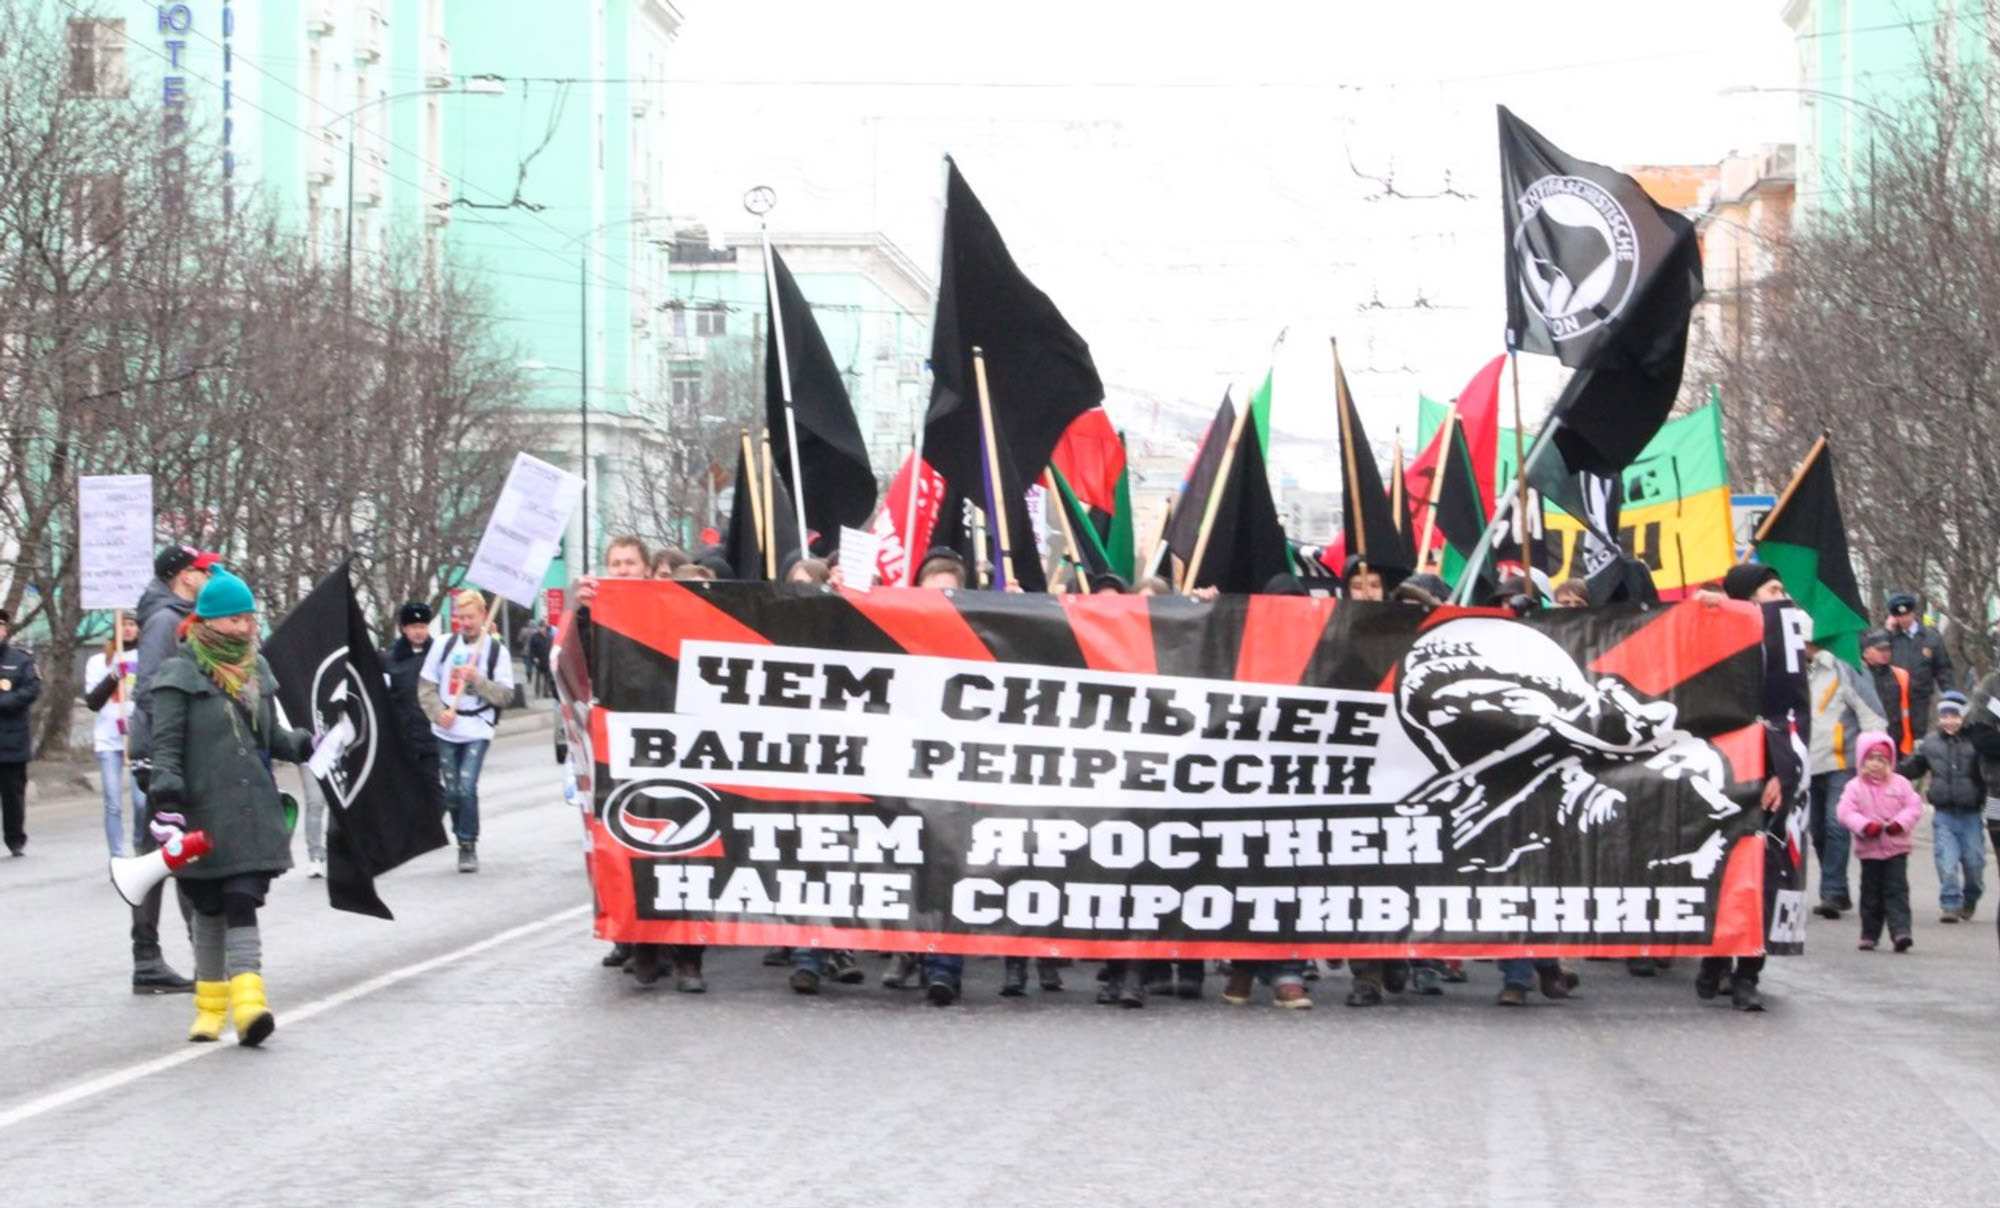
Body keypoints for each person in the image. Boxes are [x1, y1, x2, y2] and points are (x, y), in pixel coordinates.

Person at [146, 569, 313, 1045]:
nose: (244, 628)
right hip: (199, 811)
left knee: (242, 898)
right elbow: (166, 746)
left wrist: (307, 743)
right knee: (207, 905)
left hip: (250, 810)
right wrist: (168, 802)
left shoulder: (257, 671)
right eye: (234, 619)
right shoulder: (177, 675)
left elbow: (272, 737)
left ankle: (249, 1006)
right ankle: (209, 1008)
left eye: (248, 618)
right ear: (209, 622)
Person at [1693, 563, 1810, 1012]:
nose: (1782, 597)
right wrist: (1705, 610)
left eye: (1783, 588)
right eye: (1772, 589)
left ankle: (1748, 975)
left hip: (1771, 774)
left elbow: (1797, 717)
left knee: (1764, 874)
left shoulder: (1789, 646)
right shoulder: (1717, 631)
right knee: (1723, 871)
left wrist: (1784, 774)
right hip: (1721, 774)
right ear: (1747, 597)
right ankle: (1716, 959)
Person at [126, 545, 223, 993]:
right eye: (203, 571)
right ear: (185, 576)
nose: (208, 576)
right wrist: (181, 726)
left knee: (163, 854)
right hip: (163, 755)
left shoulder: (179, 614)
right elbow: (149, 688)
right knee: (174, 853)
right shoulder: (166, 620)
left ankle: (155, 959)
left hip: (169, 752)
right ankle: (171, 959)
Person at [417, 589, 515, 874]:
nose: (465, 623)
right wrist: (438, 712)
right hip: (447, 727)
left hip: (478, 727)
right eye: (461, 617)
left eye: (470, 617)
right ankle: (460, 831)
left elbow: (505, 696)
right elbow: (426, 687)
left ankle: (467, 843)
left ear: (483, 615)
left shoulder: (496, 651)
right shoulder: (444, 646)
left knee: (466, 786)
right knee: (451, 794)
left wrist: (478, 681)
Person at [1806, 641, 1886, 920]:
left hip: (1843, 761)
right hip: (1808, 762)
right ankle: (1836, 886)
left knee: (1835, 824)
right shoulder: (1796, 669)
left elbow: (1873, 715)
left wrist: (1874, 757)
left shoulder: (1847, 666)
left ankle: (1833, 891)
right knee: (1816, 829)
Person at [1900, 691, 1985, 923]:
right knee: (1945, 860)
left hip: (1971, 814)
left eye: (1955, 716)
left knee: (1974, 863)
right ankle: (1949, 903)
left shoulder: (1976, 741)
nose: (1950, 721)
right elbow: (1916, 766)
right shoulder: (1931, 743)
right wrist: (1896, 770)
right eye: (1945, 716)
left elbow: (1988, 771)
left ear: (1964, 717)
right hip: (1944, 813)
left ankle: (1971, 896)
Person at [1837, 731, 1923, 952]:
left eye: (1881, 760)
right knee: (1871, 893)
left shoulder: (1901, 784)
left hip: (1896, 848)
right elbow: (1845, 812)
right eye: (1871, 759)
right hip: (1870, 850)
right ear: (1861, 761)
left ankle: (1900, 932)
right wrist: (1865, 826)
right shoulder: (1854, 787)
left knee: (1897, 891)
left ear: (1890, 762)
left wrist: (1899, 824)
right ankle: (1869, 933)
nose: (1875, 765)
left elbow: (1914, 807)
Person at [380, 599, 442, 833]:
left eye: (423, 626)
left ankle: (431, 827)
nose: (419, 632)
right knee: (404, 786)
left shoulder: (438, 655)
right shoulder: (389, 660)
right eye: (414, 627)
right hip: (403, 735)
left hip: (431, 732)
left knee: (432, 784)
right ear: (404, 629)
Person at [83, 612, 141, 856]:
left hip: (138, 738)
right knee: (113, 804)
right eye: (123, 624)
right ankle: (117, 856)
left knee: (142, 802)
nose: (128, 629)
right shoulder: (99, 661)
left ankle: (141, 846)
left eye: (132, 624)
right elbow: (93, 702)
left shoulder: (146, 656)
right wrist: (113, 677)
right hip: (109, 740)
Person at [0, 608, 41, 858]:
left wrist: (3, 702)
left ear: (5, 630)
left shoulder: (21, 660)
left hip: (11, 740)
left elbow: (31, 690)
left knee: (13, 795)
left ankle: (15, 838)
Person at [1884, 591, 1953, 733]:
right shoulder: (1889, 637)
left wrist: (1950, 696)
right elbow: (1875, 656)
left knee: (1919, 739)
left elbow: (1943, 669)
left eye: (1906, 614)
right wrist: (1887, 632)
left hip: (1920, 700)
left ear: (1913, 613)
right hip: (1894, 701)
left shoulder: (1930, 637)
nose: (1903, 619)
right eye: (1899, 616)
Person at [1860, 630, 1913, 754]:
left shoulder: (1901, 675)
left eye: (1887, 649)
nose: (1884, 653)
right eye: (1879, 650)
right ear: (1866, 652)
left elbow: (1913, 709)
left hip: (1897, 742)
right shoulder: (1858, 676)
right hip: (1867, 741)